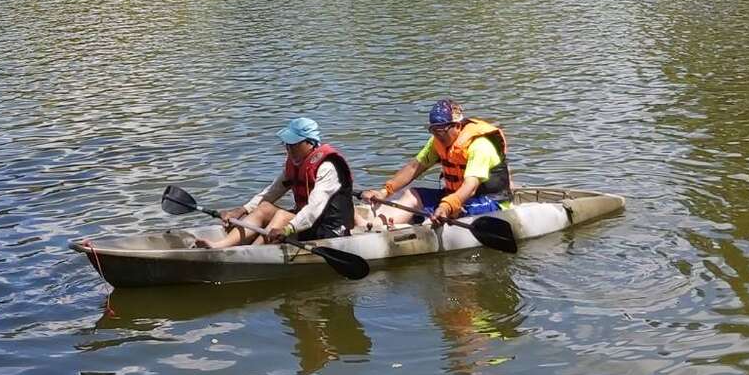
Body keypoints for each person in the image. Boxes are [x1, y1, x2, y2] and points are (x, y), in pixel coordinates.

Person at [197, 117, 355, 249]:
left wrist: (287, 229)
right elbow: (271, 192)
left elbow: (313, 209)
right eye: (287, 144)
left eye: (294, 144)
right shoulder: (295, 163)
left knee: (281, 215)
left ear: (310, 143)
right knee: (265, 207)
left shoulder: (327, 167)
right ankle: (221, 245)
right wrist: (242, 209)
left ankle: (252, 252)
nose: (289, 149)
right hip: (306, 224)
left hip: (330, 229)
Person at [360, 99, 512, 228]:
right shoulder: (437, 142)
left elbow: (470, 187)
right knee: (412, 195)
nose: (437, 136)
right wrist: (384, 192)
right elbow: (414, 167)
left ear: (457, 126)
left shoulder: (479, 146)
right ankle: (376, 228)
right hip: (453, 197)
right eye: (433, 130)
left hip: (490, 201)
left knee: (448, 212)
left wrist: (447, 206)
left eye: (441, 130)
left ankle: (425, 225)